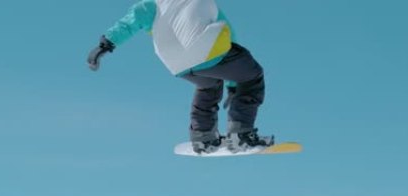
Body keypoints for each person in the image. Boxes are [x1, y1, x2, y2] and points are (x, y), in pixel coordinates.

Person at [87, 0, 273, 154]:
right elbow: (230, 35)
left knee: (208, 86)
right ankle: (241, 135)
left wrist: (105, 45)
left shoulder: (153, 4)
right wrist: (234, 85)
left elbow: (130, 21)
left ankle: (203, 138)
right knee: (251, 76)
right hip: (208, 51)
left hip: (175, 63)